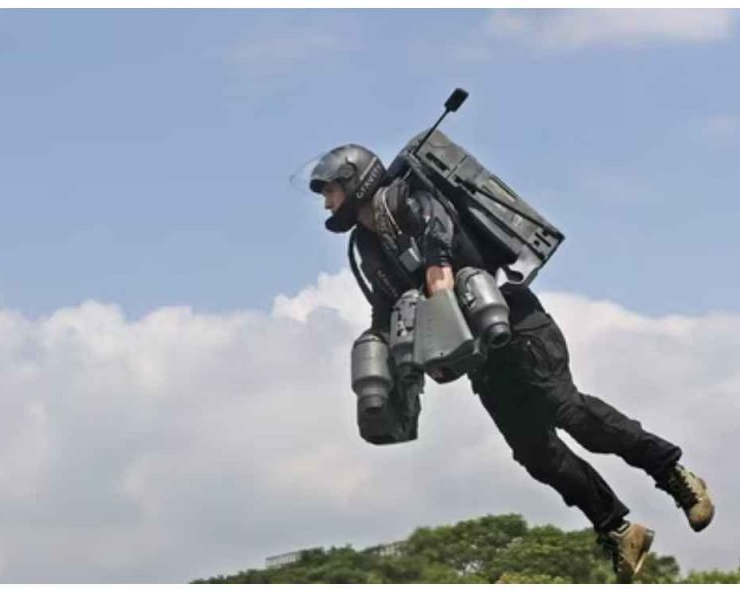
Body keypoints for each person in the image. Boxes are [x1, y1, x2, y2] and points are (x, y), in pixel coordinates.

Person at [302, 143, 714, 583]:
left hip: (517, 324)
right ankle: (618, 530)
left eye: (331, 190)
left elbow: (439, 265)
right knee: (535, 453)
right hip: (479, 357)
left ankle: (672, 473)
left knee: (570, 412)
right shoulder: (366, 244)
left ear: (356, 181)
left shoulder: (414, 200)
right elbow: (386, 310)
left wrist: (437, 310)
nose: (327, 202)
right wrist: (384, 364)